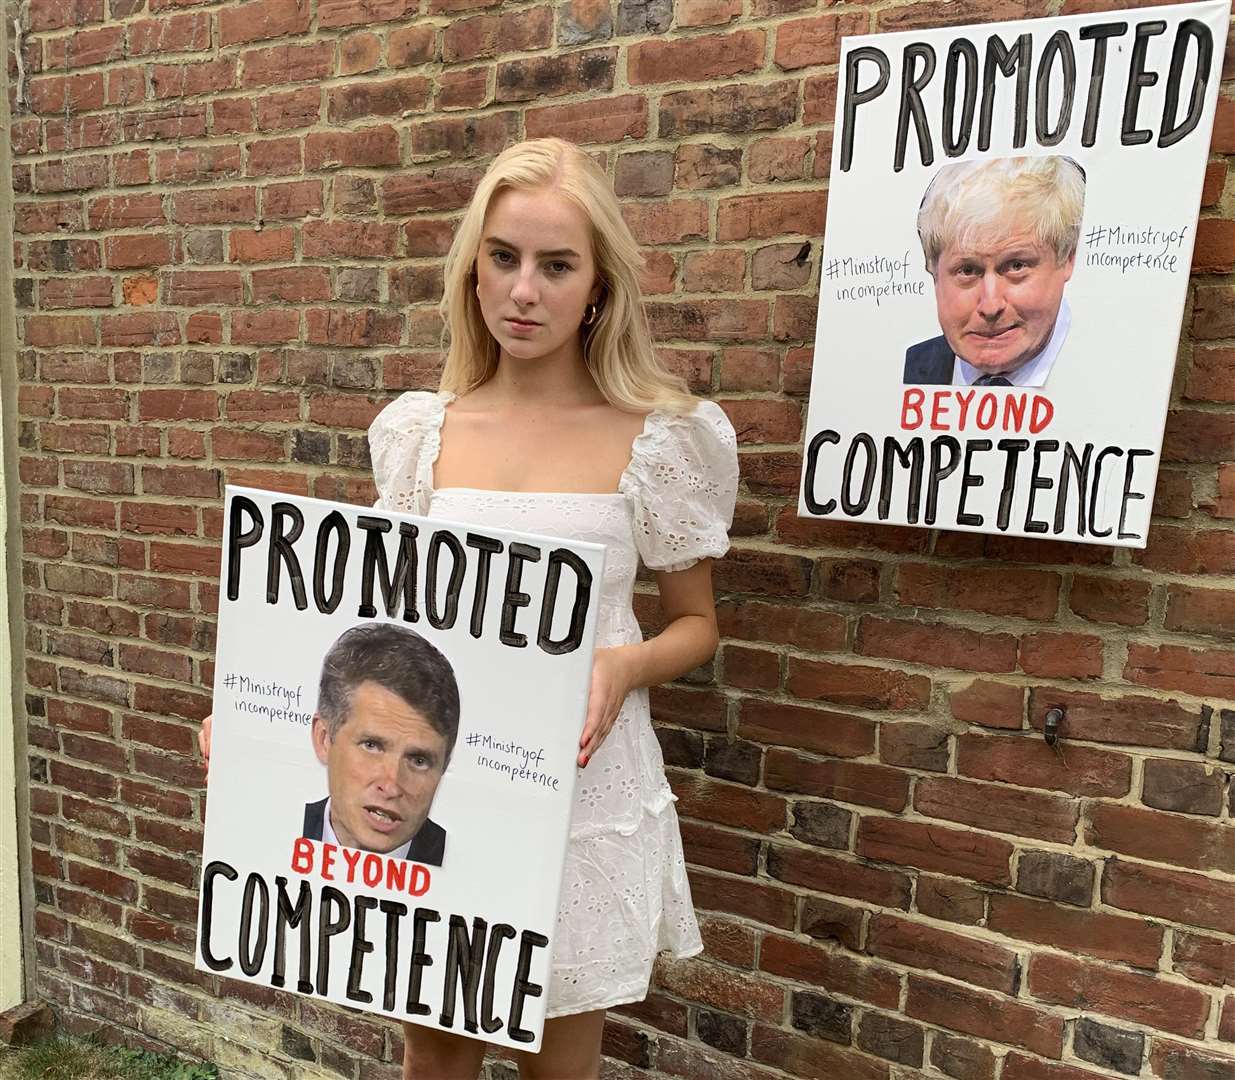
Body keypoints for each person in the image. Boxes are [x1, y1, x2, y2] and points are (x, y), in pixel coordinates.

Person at [201, 137, 738, 1079]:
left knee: (557, 1066)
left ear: (598, 284)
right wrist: (250, 720)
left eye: (556, 265)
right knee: (435, 1058)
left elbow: (696, 623)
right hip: (448, 791)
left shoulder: (658, 439)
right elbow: (374, 629)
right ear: (474, 272)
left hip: (578, 795)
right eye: (503, 258)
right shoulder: (420, 436)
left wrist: (623, 663)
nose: (524, 290)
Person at [904, 155, 1086, 387]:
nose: (990, 307)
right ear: (933, 270)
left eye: (1016, 266)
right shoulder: (905, 372)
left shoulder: (1121, 376)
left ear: (1068, 258)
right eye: (967, 270)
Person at [302, 622, 459, 867]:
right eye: (372, 746)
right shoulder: (263, 829)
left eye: (418, 761)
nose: (392, 785)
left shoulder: (467, 867)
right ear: (323, 739)